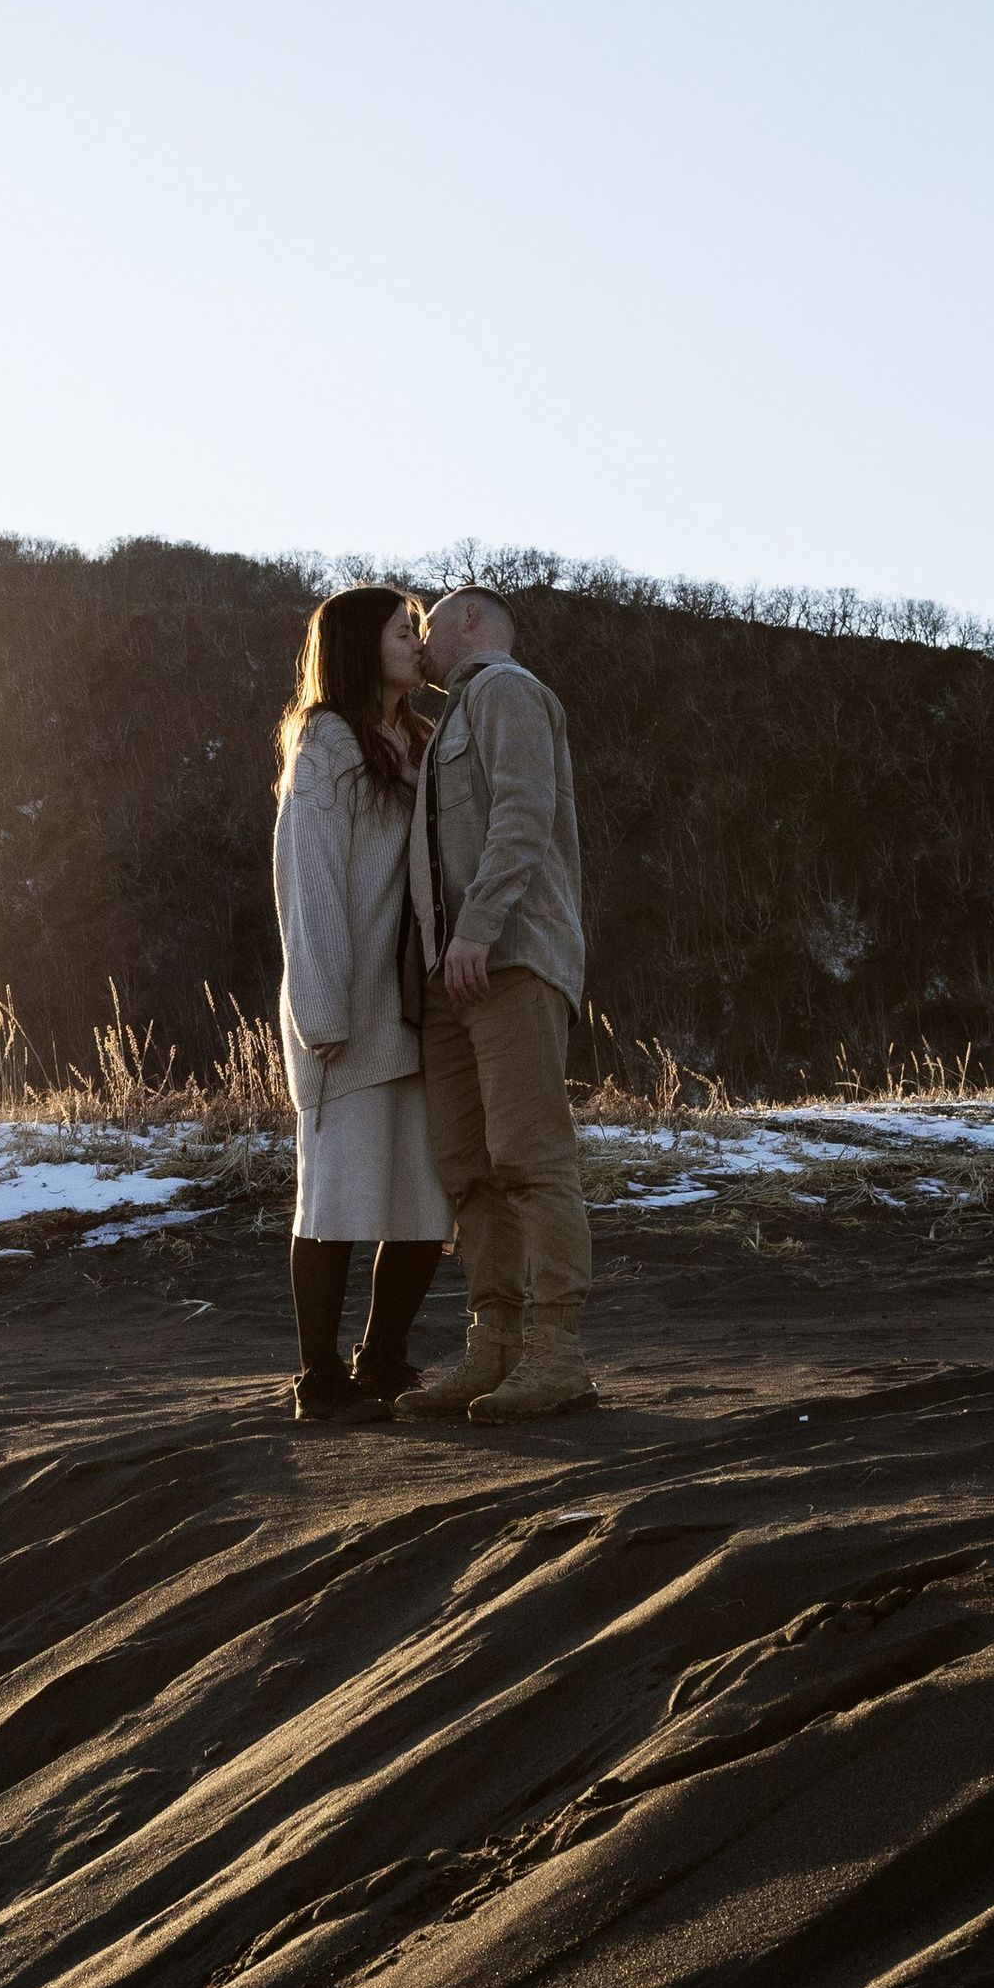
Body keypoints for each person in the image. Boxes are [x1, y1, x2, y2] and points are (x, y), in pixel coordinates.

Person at [401, 583, 597, 1420]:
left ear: (471, 618)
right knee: (469, 1169)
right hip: (452, 973)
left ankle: (559, 1353)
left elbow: (524, 812)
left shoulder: (508, 690)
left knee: (529, 1155)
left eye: (427, 624)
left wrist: (477, 928)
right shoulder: (450, 715)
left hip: (507, 957)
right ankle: (496, 1346)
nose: (419, 642)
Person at [271, 586, 451, 1423]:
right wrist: (321, 1012)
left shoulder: (418, 739)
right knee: (335, 1197)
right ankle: (318, 1382)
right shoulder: (325, 741)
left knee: (424, 1196)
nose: (418, 641)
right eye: (402, 630)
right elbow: (308, 884)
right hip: (343, 1005)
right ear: (356, 645)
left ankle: (383, 1360)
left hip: (413, 1002)